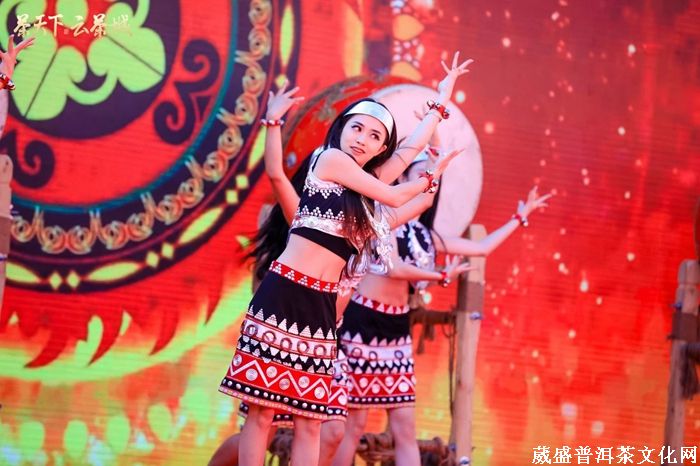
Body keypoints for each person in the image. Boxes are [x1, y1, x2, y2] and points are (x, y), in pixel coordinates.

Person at [218, 53, 473, 465]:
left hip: (321, 310)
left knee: (310, 421)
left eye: (375, 136)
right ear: (341, 128)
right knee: (262, 413)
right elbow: (393, 193)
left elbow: (407, 166)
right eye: (357, 127)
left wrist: (439, 106)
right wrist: (427, 176)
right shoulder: (329, 160)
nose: (362, 139)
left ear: (381, 149)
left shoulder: (363, 209)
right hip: (283, 295)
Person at [332, 137, 553, 466]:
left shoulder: (426, 236)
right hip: (362, 324)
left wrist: (520, 217)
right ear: (402, 178)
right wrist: (439, 275)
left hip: (396, 330)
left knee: (405, 428)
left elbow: (481, 248)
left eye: (433, 176)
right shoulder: (382, 219)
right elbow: (394, 268)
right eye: (422, 174)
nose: (428, 182)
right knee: (354, 424)